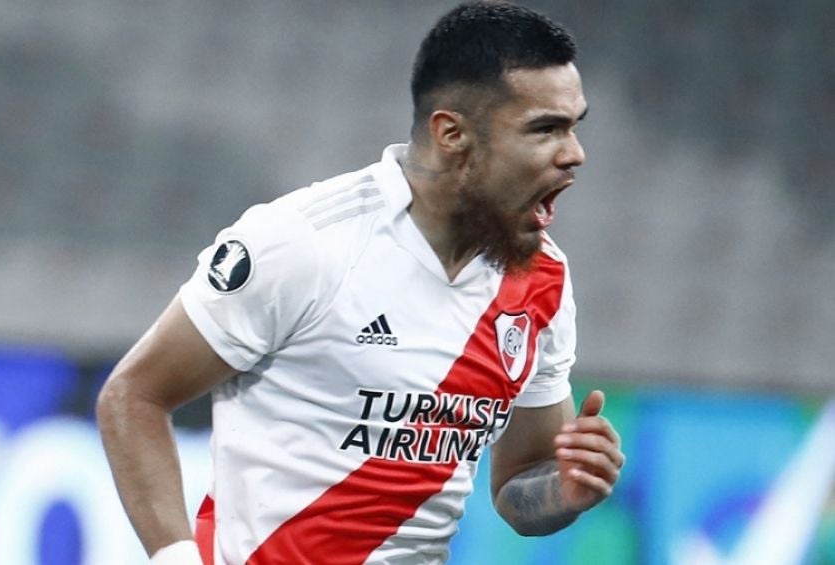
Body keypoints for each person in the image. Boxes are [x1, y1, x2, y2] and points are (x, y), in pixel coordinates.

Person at [96, 2, 625, 563]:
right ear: (452, 134)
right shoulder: (305, 242)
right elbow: (133, 396)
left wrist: (564, 490)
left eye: (574, 126)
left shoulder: (542, 279)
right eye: (546, 129)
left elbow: (518, 489)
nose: (575, 154)